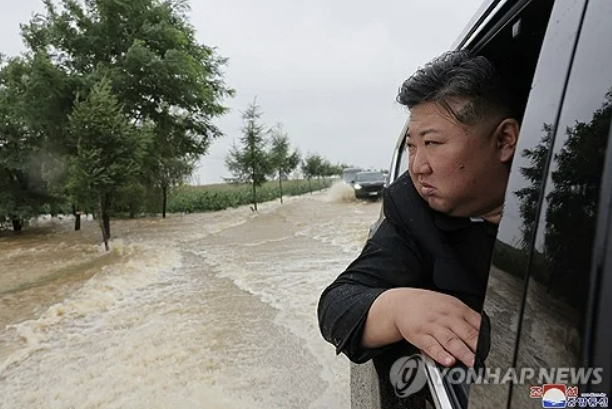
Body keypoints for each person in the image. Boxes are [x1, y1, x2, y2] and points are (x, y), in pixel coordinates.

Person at [317, 50, 521, 370]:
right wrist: (398, 308)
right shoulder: (413, 210)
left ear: (505, 141)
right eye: (412, 146)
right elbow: (337, 305)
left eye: (432, 143)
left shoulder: (572, 206)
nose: (417, 167)